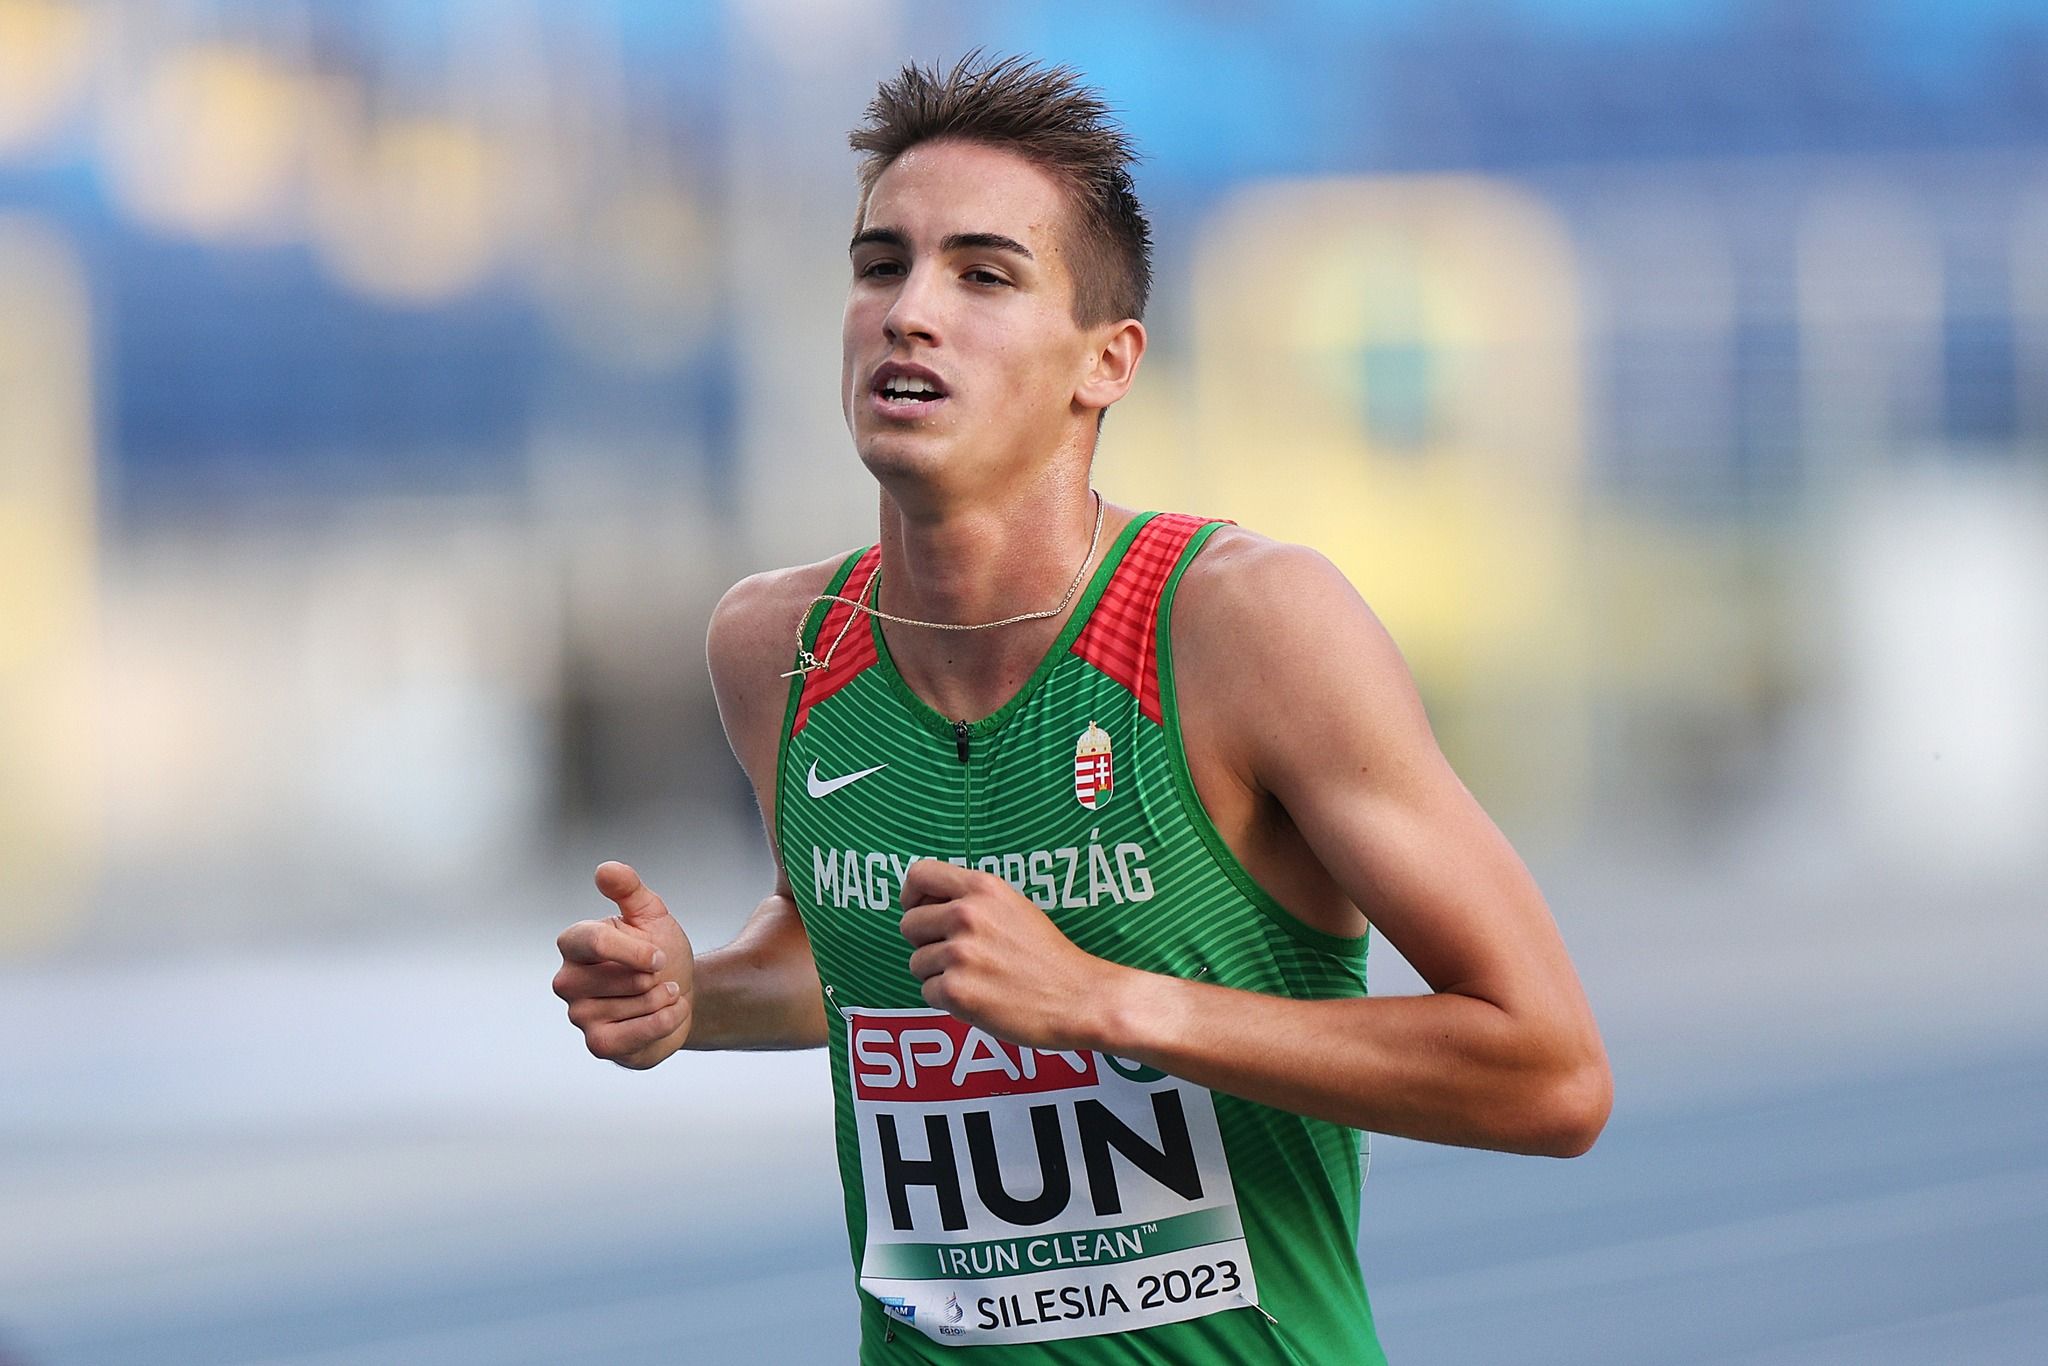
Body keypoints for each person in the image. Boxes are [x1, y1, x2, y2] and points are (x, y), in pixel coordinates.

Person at [553, 52, 1610, 1363]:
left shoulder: (1246, 625)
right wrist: (692, 997)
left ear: (1105, 360)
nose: (909, 312)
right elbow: (870, 963)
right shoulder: (779, 645)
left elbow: (1553, 1071)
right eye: (881, 265)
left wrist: (1110, 1001)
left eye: (983, 275)